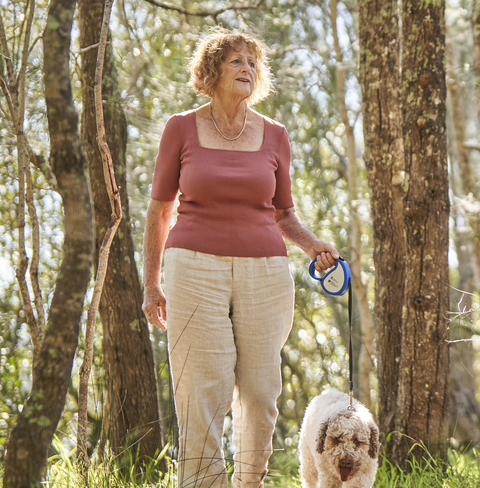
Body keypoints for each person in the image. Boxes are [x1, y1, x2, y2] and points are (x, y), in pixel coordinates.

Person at [141, 29, 337, 488]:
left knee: (260, 392)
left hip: (265, 273)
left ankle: (251, 483)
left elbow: (283, 214)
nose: (247, 67)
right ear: (211, 71)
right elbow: (160, 208)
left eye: (252, 61)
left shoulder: (275, 135)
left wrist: (314, 246)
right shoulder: (181, 128)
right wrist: (152, 283)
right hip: (192, 268)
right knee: (201, 392)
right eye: (235, 61)